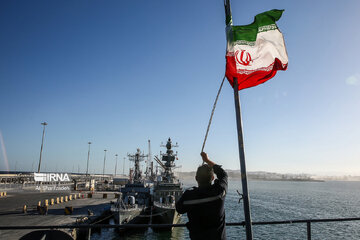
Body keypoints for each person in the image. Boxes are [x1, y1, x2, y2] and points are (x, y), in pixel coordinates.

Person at [176, 152, 228, 240]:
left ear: (196, 178)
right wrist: (207, 160)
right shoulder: (219, 191)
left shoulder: (189, 196)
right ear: (212, 178)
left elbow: (179, 209)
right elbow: (223, 174)